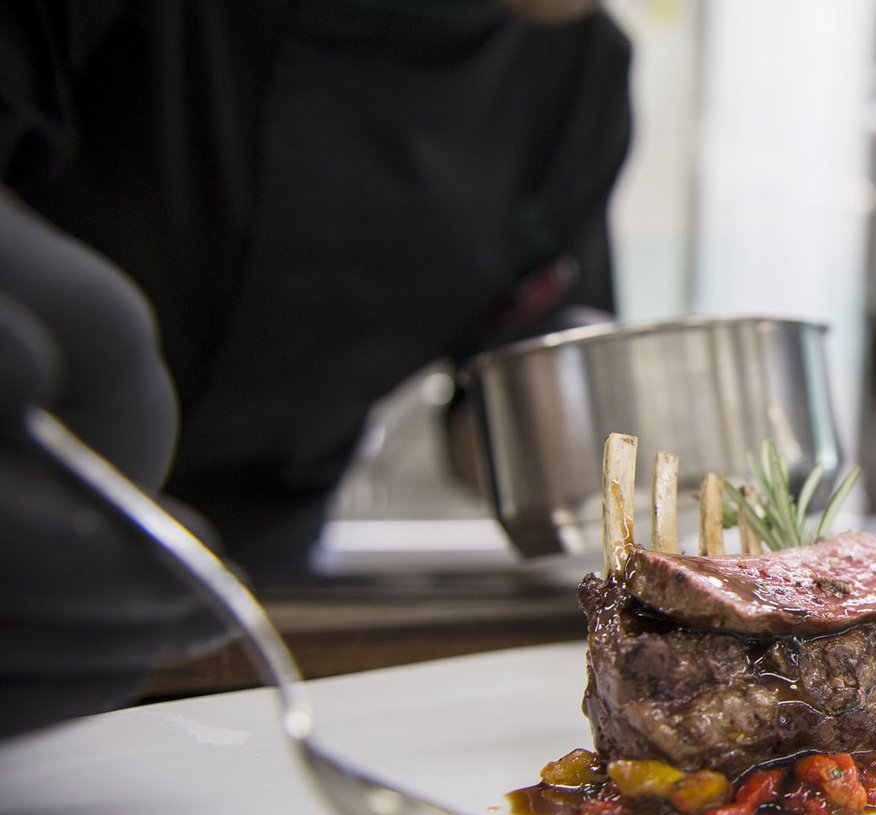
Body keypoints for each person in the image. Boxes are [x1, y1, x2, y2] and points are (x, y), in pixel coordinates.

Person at [0, 0, 634, 730]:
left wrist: (588, 425)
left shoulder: (578, 72)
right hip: (32, 501)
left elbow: (499, 405)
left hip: (261, 593)